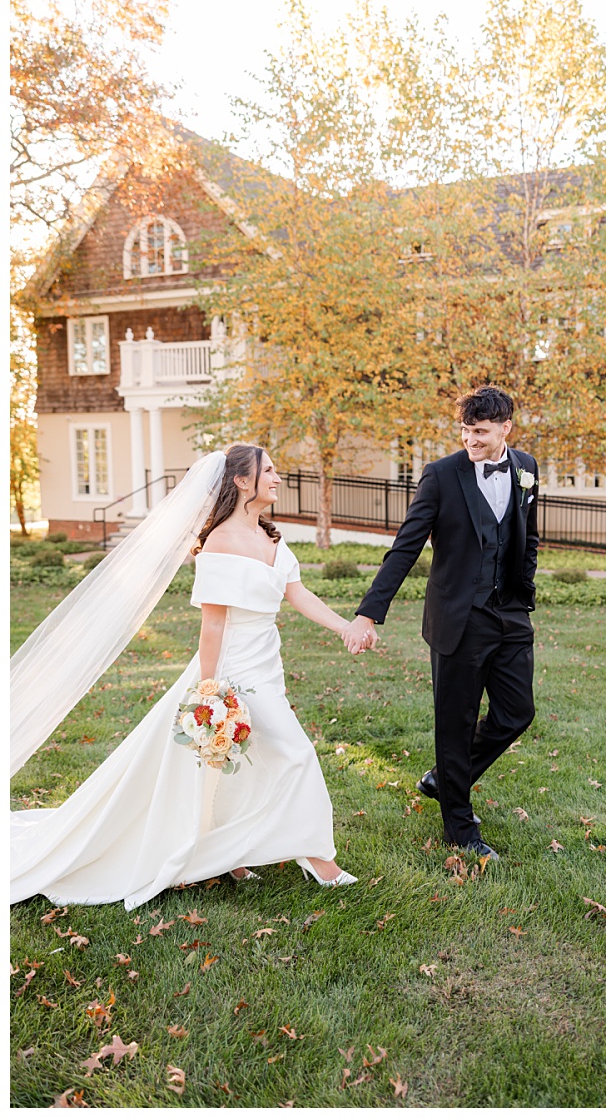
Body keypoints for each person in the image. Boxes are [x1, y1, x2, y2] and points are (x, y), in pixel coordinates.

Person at [11, 444, 358, 911]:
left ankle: (228, 855)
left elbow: (299, 594)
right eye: (269, 471)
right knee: (294, 754)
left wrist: (346, 628)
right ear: (241, 481)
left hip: (266, 665)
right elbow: (213, 624)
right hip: (233, 671)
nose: (278, 478)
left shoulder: (273, 539)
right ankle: (319, 858)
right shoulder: (218, 544)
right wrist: (211, 691)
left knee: (239, 761)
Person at [346, 386, 538, 862]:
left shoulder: (526, 468)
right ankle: (460, 828)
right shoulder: (441, 476)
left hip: (509, 612)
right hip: (458, 618)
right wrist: (370, 611)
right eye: (465, 431)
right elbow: (406, 547)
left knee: (517, 713)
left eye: (481, 431)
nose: (470, 440)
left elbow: (528, 535)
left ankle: (444, 778)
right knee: (453, 724)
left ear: (505, 429)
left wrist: (523, 589)